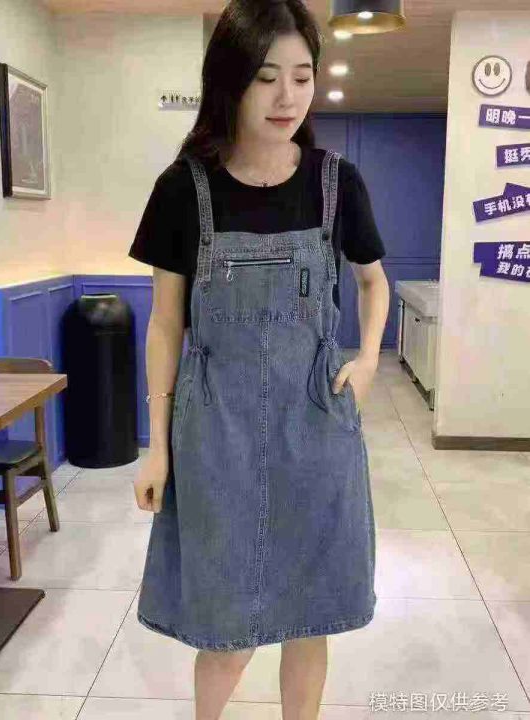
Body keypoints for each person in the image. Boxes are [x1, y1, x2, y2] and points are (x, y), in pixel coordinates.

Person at [130, 0, 390, 717]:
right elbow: (165, 325)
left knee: (310, 615)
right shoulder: (183, 188)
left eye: (303, 77)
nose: (287, 97)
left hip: (316, 426)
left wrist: (369, 358)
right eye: (266, 77)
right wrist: (158, 447)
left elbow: (373, 281)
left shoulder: (337, 183)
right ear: (231, 80)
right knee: (226, 625)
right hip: (216, 433)